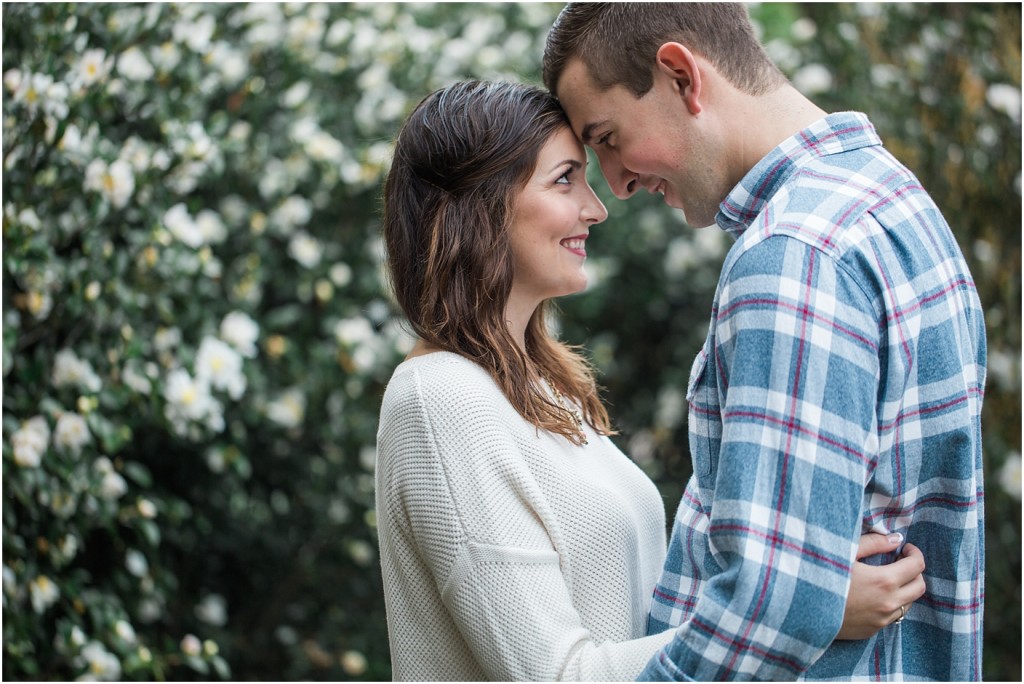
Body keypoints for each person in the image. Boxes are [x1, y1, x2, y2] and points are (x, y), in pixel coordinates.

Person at [375, 80, 927, 682]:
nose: (596, 207)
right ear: (479, 205)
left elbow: (648, 627)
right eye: (565, 179)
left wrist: (796, 584)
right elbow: (558, 675)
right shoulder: (438, 399)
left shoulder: (543, 390)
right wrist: (801, 615)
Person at [543, 3, 987, 681]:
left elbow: (772, 607)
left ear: (680, 77)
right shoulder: (892, 199)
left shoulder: (794, 257)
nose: (618, 186)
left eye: (606, 138)